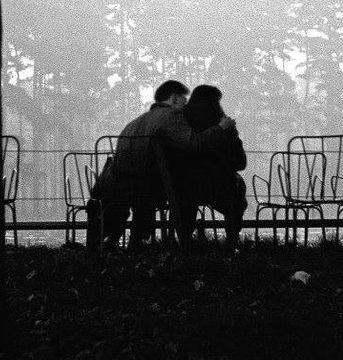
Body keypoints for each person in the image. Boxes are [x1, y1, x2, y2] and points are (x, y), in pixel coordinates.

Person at [89, 79, 235, 249]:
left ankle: (132, 244)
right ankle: (184, 244)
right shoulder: (170, 117)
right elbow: (193, 143)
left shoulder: (135, 122)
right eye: (183, 99)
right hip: (148, 186)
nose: (186, 103)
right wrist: (221, 127)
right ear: (174, 98)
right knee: (188, 191)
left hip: (119, 186)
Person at [177, 84, 248, 245]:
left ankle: (184, 241)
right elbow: (240, 162)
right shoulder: (224, 129)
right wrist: (233, 134)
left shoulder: (180, 128)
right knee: (238, 186)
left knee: (189, 195)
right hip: (219, 188)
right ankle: (232, 239)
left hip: (185, 188)